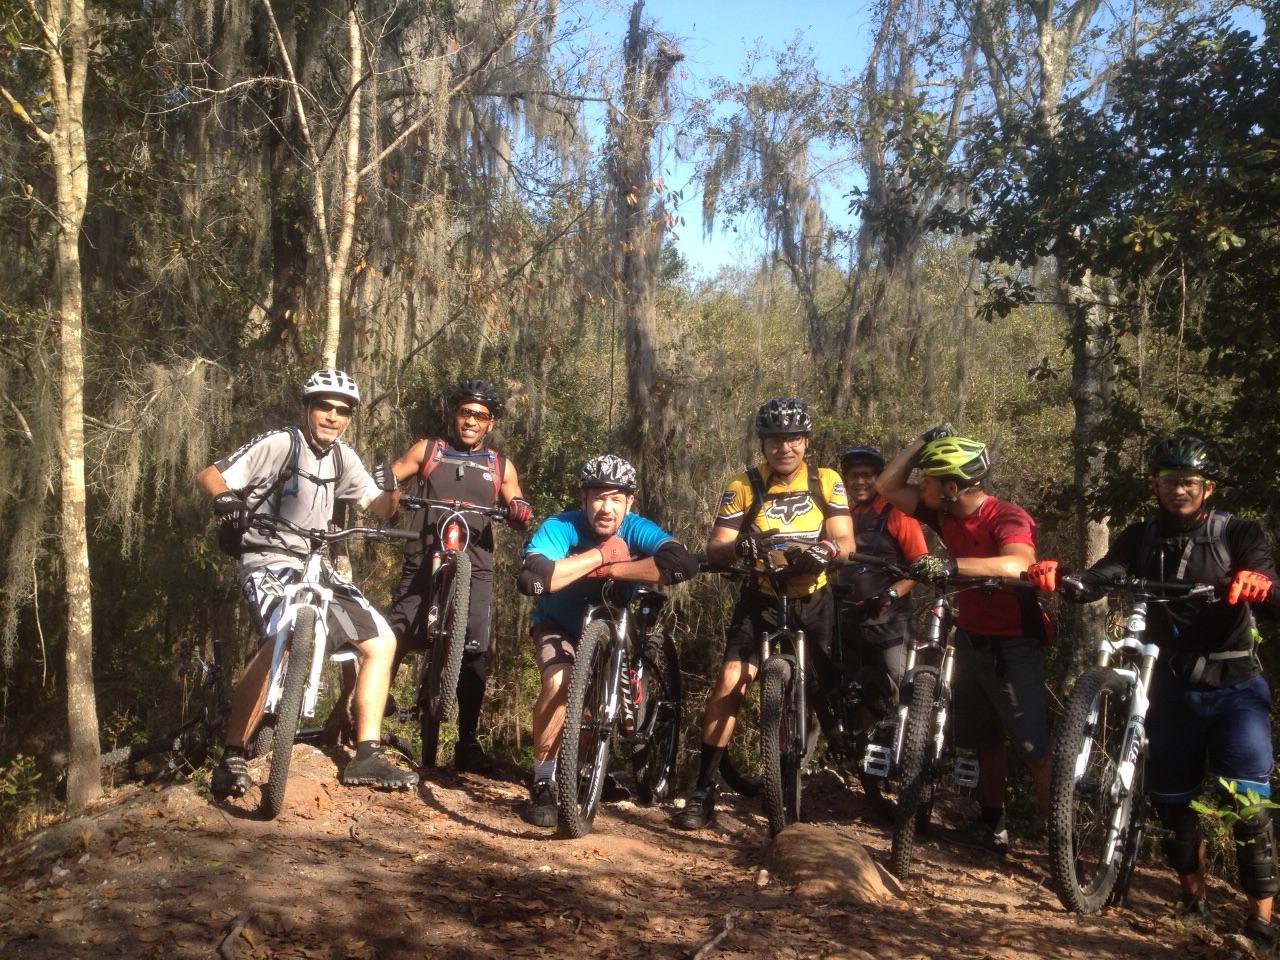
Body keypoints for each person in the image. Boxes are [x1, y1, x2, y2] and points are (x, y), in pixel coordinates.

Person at [1043, 436, 1280, 947]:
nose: (1178, 491)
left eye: (1189, 483)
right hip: (1169, 686)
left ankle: (1262, 921)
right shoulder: (1141, 536)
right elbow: (1108, 571)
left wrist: (1258, 585)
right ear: (1156, 484)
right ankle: (1192, 900)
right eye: (1170, 481)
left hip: (1233, 684)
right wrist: (1074, 581)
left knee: (1251, 808)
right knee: (1175, 806)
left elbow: (1269, 583)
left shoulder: (1237, 532)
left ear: (1207, 488)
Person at [197, 369, 417, 798]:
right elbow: (210, 474)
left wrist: (392, 489)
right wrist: (226, 500)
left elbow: (381, 509)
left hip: (317, 565)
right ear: (308, 407)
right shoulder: (281, 443)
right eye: (325, 406)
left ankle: (367, 752)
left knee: (382, 642)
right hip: (267, 560)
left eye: (343, 411)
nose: (333, 417)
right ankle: (232, 755)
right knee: (280, 640)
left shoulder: (343, 458)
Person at [674, 397, 854, 831]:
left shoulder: (826, 480)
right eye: (774, 440)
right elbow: (717, 546)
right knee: (729, 683)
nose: (784, 447)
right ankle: (702, 792)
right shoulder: (743, 484)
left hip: (813, 597)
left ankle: (843, 757)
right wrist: (740, 546)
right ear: (762, 444)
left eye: (792, 438)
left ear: (806, 441)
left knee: (828, 688)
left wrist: (826, 550)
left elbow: (846, 542)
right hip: (761, 597)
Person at [876, 425, 1050, 854]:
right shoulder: (943, 512)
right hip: (972, 637)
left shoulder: (1006, 516)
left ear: (951, 487)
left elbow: (1018, 564)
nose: (922, 486)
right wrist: (920, 442)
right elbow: (886, 485)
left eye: (930, 481)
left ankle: (1057, 842)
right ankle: (994, 824)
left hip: (1015, 642)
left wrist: (950, 565)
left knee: (1032, 746)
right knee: (985, 737)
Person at [514, 454, 698, 827]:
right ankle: (545, 781)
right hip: (557, 624)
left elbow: (680, 563)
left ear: (629, 503)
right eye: (598, 497)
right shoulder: (561, 527)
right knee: (560, 683)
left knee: (593, 706)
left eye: (616, 498)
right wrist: (599, 553)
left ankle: (583, 771)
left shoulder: (636, 528)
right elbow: (533, 578)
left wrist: (612, 567)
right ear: (584, 499)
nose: (606, 507)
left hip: (614, 625)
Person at [385, 379, 532, 772]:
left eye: (480, 416)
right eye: (466, 412)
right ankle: (375, 706)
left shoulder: (499, 465)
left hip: (475, 565)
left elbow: (515, 498)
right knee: (396, 630)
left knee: (475, 650)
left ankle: (467, 740)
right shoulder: (429, 450)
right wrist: (388, 488)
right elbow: (390, 477)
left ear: (490, 423)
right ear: (455, 415)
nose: (471, 421)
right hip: (423, 556)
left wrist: (519, 510)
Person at [833, 444, 929, 691]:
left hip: (889, 622)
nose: (860, 482)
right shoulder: (845, 515)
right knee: (855, 693)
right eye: (854, 476)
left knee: (901, 687)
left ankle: (915, 729)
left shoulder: (897, 513)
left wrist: (892, 593)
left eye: (868, 475)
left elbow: (920, 566)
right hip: (849, 621)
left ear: (879, 478)